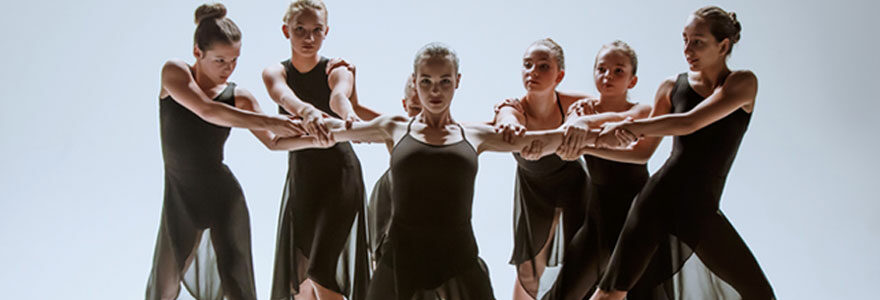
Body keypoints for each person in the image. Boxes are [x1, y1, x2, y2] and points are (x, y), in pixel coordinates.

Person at [272, 42, 621, 300]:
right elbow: (335, 130)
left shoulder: (475, 134)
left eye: (443, 81)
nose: (434, 90)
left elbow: (541, 141)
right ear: (415, 81)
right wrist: (281, 133)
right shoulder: (395, 127)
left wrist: (578, 129)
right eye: (426, 82)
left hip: (458, 256)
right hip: (400, 258)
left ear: (457, 81)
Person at [585, 6, 776, 300]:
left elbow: (689, 122)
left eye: (698, 41)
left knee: (759, 293)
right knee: (610, 292)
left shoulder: (742, 83)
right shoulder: (671, 87)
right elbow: (641, 154)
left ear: (723, 46)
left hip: (699, 209)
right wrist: (588, 146)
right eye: (684, 39)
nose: (687, 49)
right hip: (657, 199)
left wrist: (632, 126)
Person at [146, 3, 304, 300]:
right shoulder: (175, 73)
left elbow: (273, 141)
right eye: (220, 60)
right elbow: (207, 111)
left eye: (234, 60)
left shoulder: (239, 97)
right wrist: (269, 119)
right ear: (197, 52)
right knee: (163, 288)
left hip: (223, 198)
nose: (228, 68)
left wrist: (315, 139)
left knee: (237, 285)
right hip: (180, 198)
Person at [261, 1, 376, 299]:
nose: (308, 38)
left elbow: (340, 96)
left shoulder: (337, 67)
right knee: (300, 283)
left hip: (340, 177)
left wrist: (348, 114)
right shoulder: (275, 72)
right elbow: (283, 96)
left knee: (322, 271)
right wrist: (306, 111)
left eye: (316, 31)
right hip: (302, 180)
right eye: (300, 29)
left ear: (327, 32)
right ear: (286, 30)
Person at [543, 40, 656, 300]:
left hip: (637, 219)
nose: (608, 76)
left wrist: (585, 141)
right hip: (598, 220)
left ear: (632, 81)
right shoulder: (581, 110)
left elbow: (638, 154)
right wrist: (576, 122)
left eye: (618, 71)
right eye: (602, 69)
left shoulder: (642, 110)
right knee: (563, 293)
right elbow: (565, 138)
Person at [491, 38, 592, 300]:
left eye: (543, 66)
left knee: (579, 260)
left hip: (573, 187)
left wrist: (578, 120)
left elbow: (595, 110)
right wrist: (509, 123)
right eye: (527, 65)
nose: (532, 72)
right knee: (530, 267)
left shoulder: (574, 103)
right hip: (533, 192)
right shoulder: (513, 107)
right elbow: (507, 117)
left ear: (559, 75)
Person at [366, 75, 422, 270]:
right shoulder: (397, 128)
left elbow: (490, 129)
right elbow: (355, 111)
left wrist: (504, 112)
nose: (419, 116)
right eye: (415, 108)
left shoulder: (452, 132)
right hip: (388, 201)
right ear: (405, 105)